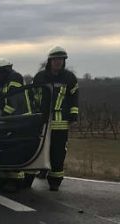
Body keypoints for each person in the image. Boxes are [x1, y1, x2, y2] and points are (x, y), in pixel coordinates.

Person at [33, 46, 79, 191]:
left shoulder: (69, 78)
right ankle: (38, 171)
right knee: (38, 149)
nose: (58, 62)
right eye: (55, 59)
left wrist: (73, 113)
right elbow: (33, 96)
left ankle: (55, 181)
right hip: (42, 121)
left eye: (61, 59)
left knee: (58, 153)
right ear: (50, 61)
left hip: (61, 123)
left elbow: (74, 97)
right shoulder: (40, 77)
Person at [0, 58, 31, 192]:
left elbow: (13, 104)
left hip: (20, 120)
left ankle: (16, 180)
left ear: (3, 70)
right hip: (13, 121)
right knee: (6, 148)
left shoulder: (14, 79)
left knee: (15, 151)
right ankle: (4, 179)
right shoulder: (7, 81)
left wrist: (0, 118)